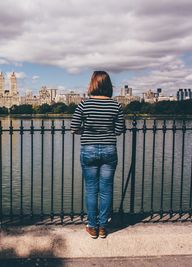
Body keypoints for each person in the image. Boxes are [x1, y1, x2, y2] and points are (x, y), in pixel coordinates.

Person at [70, 71, 125, 239]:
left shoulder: (84, 105)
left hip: (89, 150)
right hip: (109, 149)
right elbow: (119, 130)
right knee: (106, 190)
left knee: (91, 189)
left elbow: (74, 127)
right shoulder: (116, 106)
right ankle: (102, 227)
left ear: (93, 84)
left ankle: (92, 226)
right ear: (108, 86)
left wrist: (86, 130)